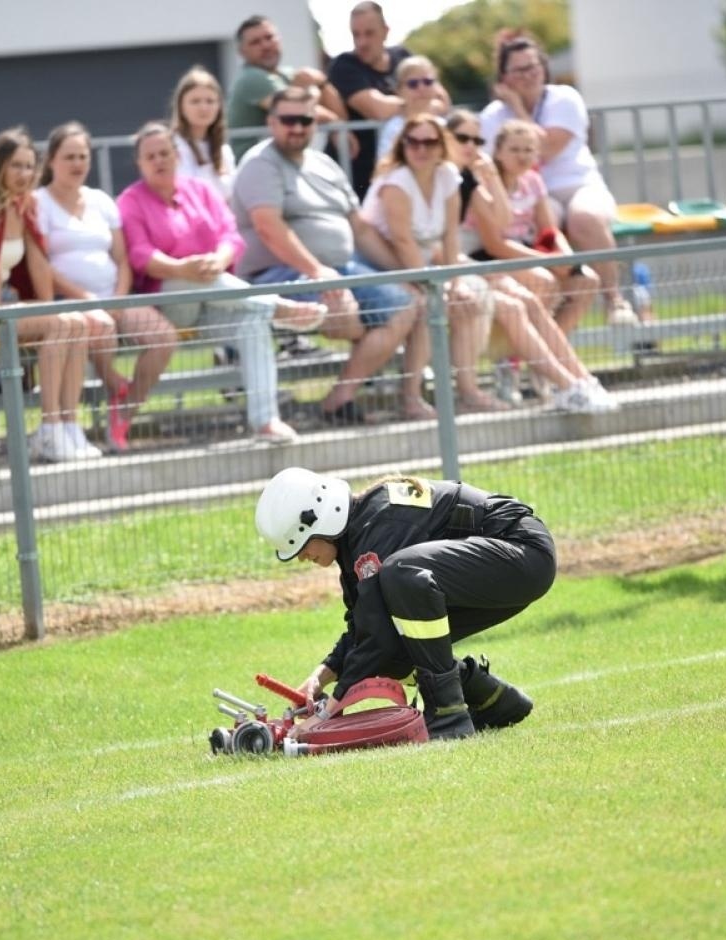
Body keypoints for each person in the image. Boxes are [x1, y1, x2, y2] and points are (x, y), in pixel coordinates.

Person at [255, 467, 555, 740]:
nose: (301, 557)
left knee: (402, 573)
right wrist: (319, 677)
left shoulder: (379, 524)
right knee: (394, 654)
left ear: (321, 520)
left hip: (523, 552)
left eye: (301, 545)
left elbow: (377, 636)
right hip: (502, 565)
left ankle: (448, 717)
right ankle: (494, 701)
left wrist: (325, 714)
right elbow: (365, 628)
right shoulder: (358, 537)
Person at [118, 122, 327, 445]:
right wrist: (180, 268)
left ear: (177, 156)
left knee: (252, 322)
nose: (159, 160)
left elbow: (231, 235)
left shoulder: (201, 190)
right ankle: (276, 307)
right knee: (192, 281)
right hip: (167, 304)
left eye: (164, 153)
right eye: (150, 156)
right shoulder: (130, 201)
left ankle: (266, 421)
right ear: (139, 163)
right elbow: (139, 253)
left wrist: (218, 259)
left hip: (215, 299)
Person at [231, 86, 428, 423]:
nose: (297, 127)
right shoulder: (260, 164)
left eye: (305, 120)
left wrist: (410, 274)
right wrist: (317, 271)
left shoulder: (325, 164)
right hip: (278, 273)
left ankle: (340, 400)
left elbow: (361, 230)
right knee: (347, 318)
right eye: (288, 120)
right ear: (271, 122)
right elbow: (268, 227)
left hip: (342, 269)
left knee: (411, 302)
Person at [0, 126, 97, 463]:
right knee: (61, 324)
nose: (25, 174)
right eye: (16, 165)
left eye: (30, 166)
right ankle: (49, 428)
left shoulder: (25, 205)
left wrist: (47, 308)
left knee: (76, 321)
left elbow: (39, 264)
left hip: (2, 303)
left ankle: (69, 425)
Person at [478, 32, 639, 328]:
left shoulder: (565, 97)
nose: (528, 75)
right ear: (504, 77)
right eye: (518, 70)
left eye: (533, 66)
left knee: (585, 218)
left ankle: (614, 300)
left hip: (579, 185)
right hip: (531, 195)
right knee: (540, 225)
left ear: (544, 67)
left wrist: (517, 107)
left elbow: (545, 149)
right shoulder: (492, 115)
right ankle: (552, 313)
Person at [34, 121, 177, 452]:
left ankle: (125, 408)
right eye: (69, 157)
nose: (77, 163)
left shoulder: (100, 201)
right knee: (101, 326)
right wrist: (86, 299)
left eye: (83, 156)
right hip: (69, 301)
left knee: (164, 338)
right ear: (51, 161)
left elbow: (122, 259)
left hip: (114, 297)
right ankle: (113, 382)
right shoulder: (39, 202)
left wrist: (118, 297)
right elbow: (42, 265)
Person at [461, 119, 618, 412]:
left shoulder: (533, 181)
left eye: (528, 150)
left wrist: (565, 257)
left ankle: (544, 361)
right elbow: (495, 244)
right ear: (499, 151)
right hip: (495, 255)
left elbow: (549, 230)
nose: (522, 156)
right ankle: (512, 364)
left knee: (586, 281)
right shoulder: (483, 184)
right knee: (542, 281)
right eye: (515, 149)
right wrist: (545, 262)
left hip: (529, 252)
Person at [359, 113, 504, 413]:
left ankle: (468, 390)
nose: (420, 149)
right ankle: (411, 398)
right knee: (429, 305)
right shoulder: (396, 181)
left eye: (429, 142)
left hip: (421, 262)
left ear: (442, 146)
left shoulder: (448, 175)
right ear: (402, 145)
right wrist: (435, 286)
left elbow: (451, 234)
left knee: (475, 296)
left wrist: (456, 283)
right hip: (381, 263)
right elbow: (402, 241)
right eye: (412, 142)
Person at [327, 1, 449, 196]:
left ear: (385, 31)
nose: (362, 42)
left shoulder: (403, 55)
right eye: (356, 34)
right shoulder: (344, 65)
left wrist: (413, 103)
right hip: (357, 179)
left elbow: (442, 99)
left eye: (369, 33)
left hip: (406, 173)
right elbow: (378, 110)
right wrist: (421, 103)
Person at [227, 15, 346, 156]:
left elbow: (340, 115)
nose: (265, 45)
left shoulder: (285, 74)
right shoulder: (251, 78)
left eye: (269, 37)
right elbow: (298, 112)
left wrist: (322, 83)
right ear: (242, 52)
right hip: (259, 165)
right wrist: (335, 121)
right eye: (255, 42)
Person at [170, 67, 236, 201]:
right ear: (181, 106)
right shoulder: (172, 148)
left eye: (210, 101)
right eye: (195, 101)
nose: (203, 108)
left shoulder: (224, 151)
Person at [375, 54, 442, 161]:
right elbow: (385, 167)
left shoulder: (444, 125)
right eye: (413, 84)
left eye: (428, 82)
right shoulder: (394, 130)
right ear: (399, 91)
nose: (421, 88)